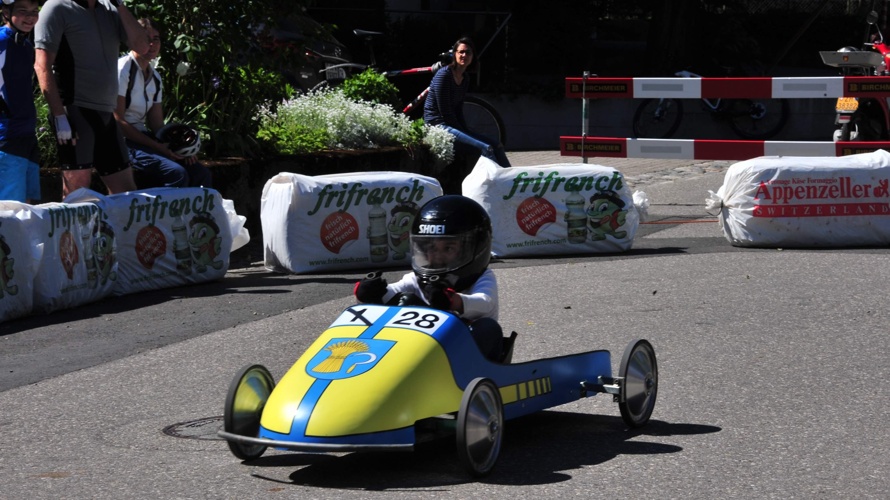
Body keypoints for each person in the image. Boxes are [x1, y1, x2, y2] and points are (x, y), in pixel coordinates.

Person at [354, 195, 506, 361]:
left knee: (488, 328)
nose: (438, 256)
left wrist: (452, 300)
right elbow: (394, 292)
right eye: (432, 247)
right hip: (422, 357)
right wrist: (370, 291)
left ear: (473, 249)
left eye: (448, 248)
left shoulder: (483, 278)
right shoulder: (417, 279)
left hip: (461, 358)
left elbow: (485, 302)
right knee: (404, 301)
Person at [33, 0, 149, 198]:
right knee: (78, 190)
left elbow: (142, 46)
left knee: (126, 190)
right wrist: (59, 115)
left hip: (106, 113)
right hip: (74, 110)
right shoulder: (57, 7)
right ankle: (70, 230)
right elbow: (41, 65)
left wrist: (119, 4)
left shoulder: (110, 9)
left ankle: (114, 229)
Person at [114, 18, 211, 189]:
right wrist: (158, 147)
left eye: (156, 39)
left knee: (200, 173)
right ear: (133, 40)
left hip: (145, 140)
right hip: (122, 142)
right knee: (176, 173)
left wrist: (179, 149)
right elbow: (118, 121)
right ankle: (164, 215)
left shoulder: (156, 78)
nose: (151, 44)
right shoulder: (123, 69)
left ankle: (197, 216)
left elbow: (157, 125)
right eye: (146, 39)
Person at [423, 36, 511, 168]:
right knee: (485, 148)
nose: (464, 55)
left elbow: (458, 108)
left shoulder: (465, 78)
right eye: (461, 52)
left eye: (468, 52)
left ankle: (512, 180)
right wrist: (464, 133)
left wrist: (465, 130)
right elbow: (445, 112)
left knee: (496, 144)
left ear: (473, 56)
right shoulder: (444, 75)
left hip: (451, 124)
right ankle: (498, 184)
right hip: (437, 125)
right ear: (454, 54)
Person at [0, 0, 39, 203]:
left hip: (27, 133)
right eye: (23, 11)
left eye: (35, 11)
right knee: (9, 212)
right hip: (6, 136)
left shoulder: (25, 44)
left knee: (29, 207)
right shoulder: (2, 41)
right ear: (6, 11)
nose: (31, 17)